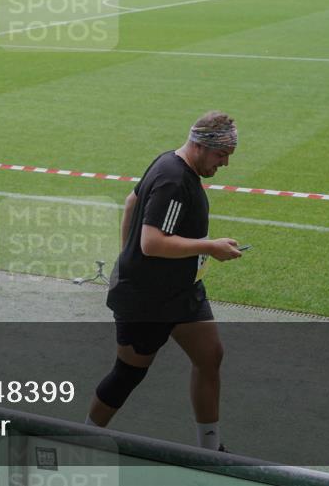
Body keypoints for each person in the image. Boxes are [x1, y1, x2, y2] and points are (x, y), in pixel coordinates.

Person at [86, 110, 242, 452]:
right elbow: (153, 242)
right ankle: (82, 439)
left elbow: (132, 201)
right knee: (127, 375)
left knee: (210, 356)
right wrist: (210, 247)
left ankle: (210, 450)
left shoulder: (168, 162)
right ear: (201, 146)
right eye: (221, 155)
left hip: (182, 292)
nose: (225, 163)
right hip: (147, 300)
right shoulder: (174, 180)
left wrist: (126, 256)